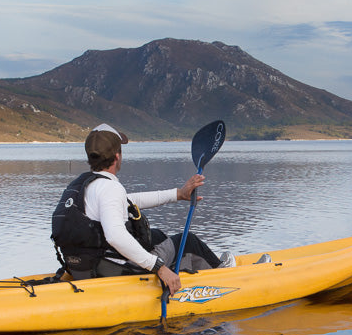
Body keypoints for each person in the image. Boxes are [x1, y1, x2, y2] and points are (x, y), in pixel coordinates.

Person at [52, 123, 232, 293]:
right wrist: (159, 267)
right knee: (189, 241)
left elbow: (129, 201)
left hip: (87, 265)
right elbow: (115, 236)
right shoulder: (109, 187)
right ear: (117, 156)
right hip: (113, 270)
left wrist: (179, 193)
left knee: (158, 236)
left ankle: (191, 272)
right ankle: (226, 277)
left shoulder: (85, 185)